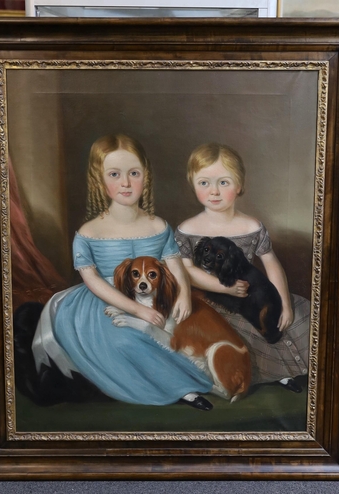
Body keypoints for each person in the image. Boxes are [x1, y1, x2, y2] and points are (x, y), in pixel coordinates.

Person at [31, 134, 214, 410]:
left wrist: (184, 294)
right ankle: (181, 390)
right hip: (102, 304)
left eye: (134, 173)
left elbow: (173, 261)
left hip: (155, 294)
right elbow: (91, 279)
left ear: (146, 176)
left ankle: (196, 382)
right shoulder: (88, 232)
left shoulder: (159, 226)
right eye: (115, 174)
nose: (126, 183)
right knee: (125, 341)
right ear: (99, 180)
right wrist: (137, 310)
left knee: (192, 331)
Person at [174, 142, 310, 392]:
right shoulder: (187, 229)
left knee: (293, 317)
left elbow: (271, 264)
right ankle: (272, 374)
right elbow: (185, 271)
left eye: (223, 182)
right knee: (244, 330)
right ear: (193, 184)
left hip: (255, 295)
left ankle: (291, 371)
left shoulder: (251, 226)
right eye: (204, 183)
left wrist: (285, 303)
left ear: (239, 185)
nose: (214, 191)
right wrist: (224, 288)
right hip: (215, 301)